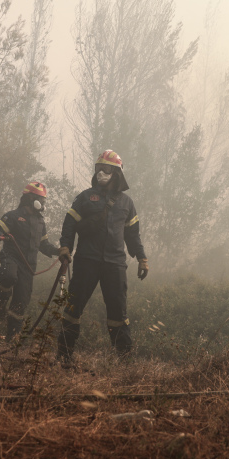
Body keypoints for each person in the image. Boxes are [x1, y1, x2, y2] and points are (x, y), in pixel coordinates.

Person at [56, 150, 148, 363]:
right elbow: (69, 224)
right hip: (86, 260)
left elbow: (133, 235)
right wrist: (65, 248)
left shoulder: (127, 203)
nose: (101, 173)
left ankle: (125, 362)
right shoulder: (85, 197)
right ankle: (64, 358)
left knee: (118, 314)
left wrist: (142, 258)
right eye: (98, 168)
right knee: (72, 309)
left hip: (115, 265)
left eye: (106, 169)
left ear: (117, 173)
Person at [0, 181, 61, 341]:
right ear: (30, 199)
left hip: (29, 266)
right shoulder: (13, 216)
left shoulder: (40, 222)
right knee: (9, 276)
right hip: (12, 257)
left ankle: (12, 338)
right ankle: (0, 304)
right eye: (40, 199)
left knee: (20, 303)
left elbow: (44, 245)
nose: (43, 203)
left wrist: (58, 251)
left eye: (44, 200)